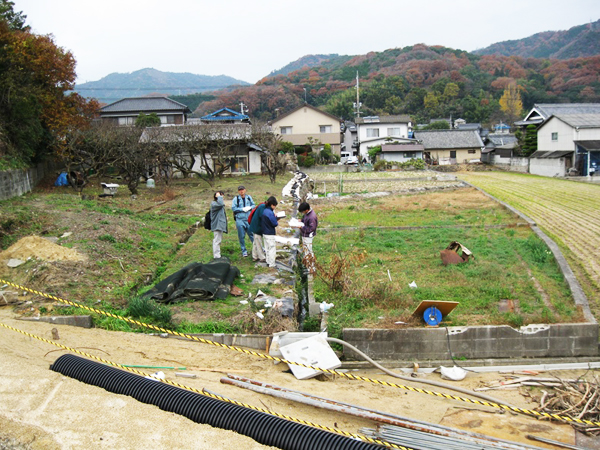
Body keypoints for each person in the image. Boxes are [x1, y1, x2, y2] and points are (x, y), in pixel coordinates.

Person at [231, 185, 255, 257]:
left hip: (248, 219)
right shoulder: (236, 199)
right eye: (240, 190)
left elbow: (253, 205)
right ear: (238, 191)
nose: (241, 191)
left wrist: (250, 207)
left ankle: (257, 248)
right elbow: (233, 208)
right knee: (241, 236)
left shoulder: (249, 197)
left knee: (252, 234)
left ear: (245, 190)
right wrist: (242, 209)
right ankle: (244, 250)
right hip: (240, 219)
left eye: (242, 190)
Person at [296, 202, 318, 273]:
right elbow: (306, 221)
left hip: (308, 236)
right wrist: (301, 221)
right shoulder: (308, 214)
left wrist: (302, 227)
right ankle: (308, 267)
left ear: (306, 209)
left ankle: (311, 268)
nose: (303, 213)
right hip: (305, 235)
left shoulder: (312, 217)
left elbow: (311, 229)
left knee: (308, 252)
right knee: (306, 251)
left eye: (303, 211)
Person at [261, 196, 279, 268]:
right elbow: (275, 223)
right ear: (272, 205)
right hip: (270, 233)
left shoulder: (265, 211)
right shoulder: (270, 213)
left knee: (267, 248)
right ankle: (272, 264)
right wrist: (276, 219)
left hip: (264, 232)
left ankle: (268, 261)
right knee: (272, 248)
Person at [210, 191, 227, 259]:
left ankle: (218, 254)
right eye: (221, 196)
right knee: (216, 240)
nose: (222, 197)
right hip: (217, 225)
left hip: (219, 225)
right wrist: (219, 196)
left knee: (218, 240)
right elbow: (221, 204)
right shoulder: (214, 204)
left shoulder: (218, 204)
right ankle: (216, 256)